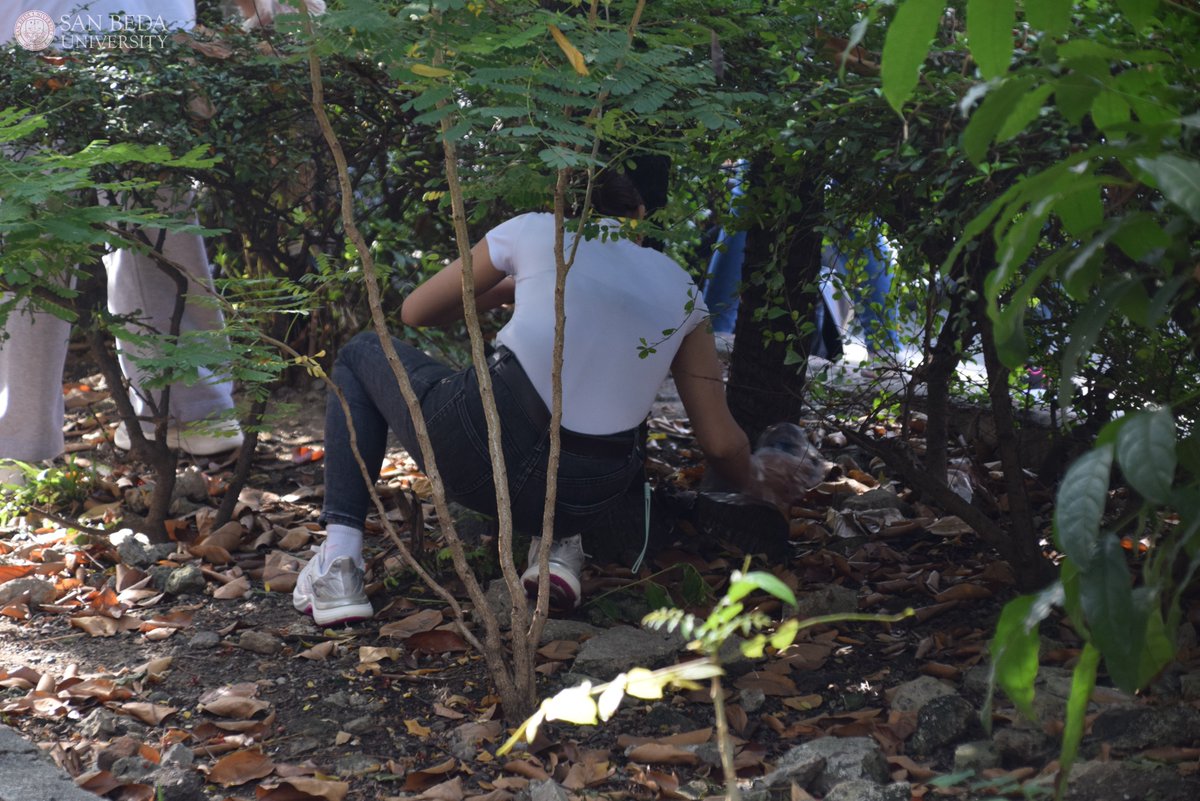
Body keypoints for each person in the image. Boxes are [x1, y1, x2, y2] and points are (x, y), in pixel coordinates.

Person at [293, 172, 754, 624]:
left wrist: (509, 286)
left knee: (360, 353)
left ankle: (340, 565)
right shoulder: (683, 289)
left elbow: (415, 312)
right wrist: (758, 491)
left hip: (477, 457)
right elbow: (721, 444)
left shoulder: (535, 228)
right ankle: (558, 549)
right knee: (602, 389)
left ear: (559, 205)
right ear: (638, 215)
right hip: (590, 494)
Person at [0, 1, 260, 489]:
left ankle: (15, 446)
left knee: (34, 240)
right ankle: (194, 411)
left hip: (36, 38)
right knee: (156, 222)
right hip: (146, 38)